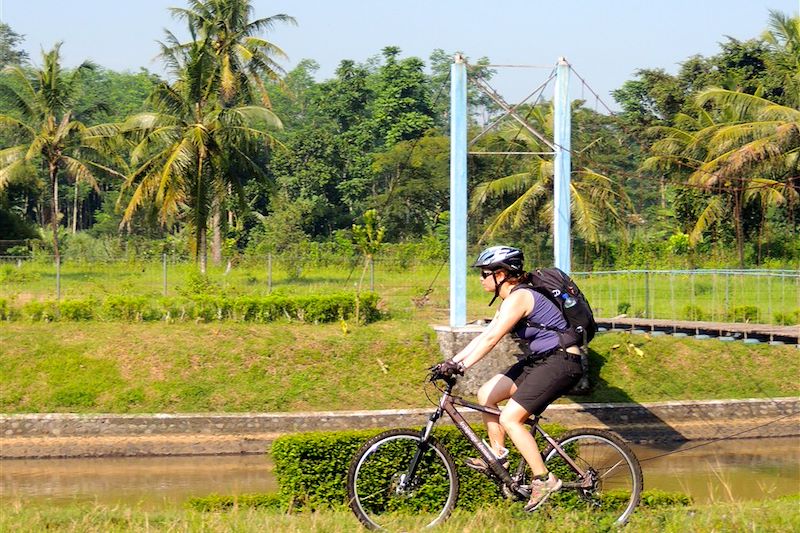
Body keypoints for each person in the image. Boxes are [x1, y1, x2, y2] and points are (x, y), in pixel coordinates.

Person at [434, 245, 583, 512]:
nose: (480, 279)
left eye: (485, 274)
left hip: (562, 361)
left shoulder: (520, 297)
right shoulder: (511, 299)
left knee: (510, 418)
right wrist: (451, 362)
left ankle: (544, 478)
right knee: (486, 394)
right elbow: (483, 335)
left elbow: (492, 340)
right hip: (541, 360)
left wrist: (461, 366)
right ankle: (498, 456)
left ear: (501, 274)